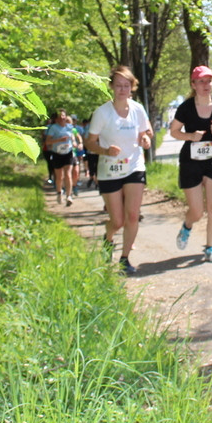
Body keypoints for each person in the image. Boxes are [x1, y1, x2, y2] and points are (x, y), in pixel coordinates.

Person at [86, 67, 153, 274]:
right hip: (110, 170)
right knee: (118, 221)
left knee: (132, 216)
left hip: (134, 166)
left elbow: (147, 131)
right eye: (118, 85)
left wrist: (146, 139)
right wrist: (105, 150)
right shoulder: (102, 113)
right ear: (112, 87)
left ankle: (124, 259)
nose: (122, 89)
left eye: (126, 85)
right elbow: (89, 143)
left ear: (132, 87)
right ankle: (108, 236)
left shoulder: (138, 109)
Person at [169, 65, 212, 263]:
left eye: (208, 81)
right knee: (197, 211)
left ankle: (210, 247)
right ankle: (187, 226)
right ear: (194, 84)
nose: (206, 85)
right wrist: (190, 135)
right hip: (191, 162)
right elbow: (174, 131)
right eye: (201, 81)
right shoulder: (186, 107)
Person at [45, 109, 78, 206]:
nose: (62, 118)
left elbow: (72, 137)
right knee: (59, 177)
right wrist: (59, 140)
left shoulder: (69, 127)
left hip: (68, 153)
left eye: (63, 116)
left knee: (68, 174)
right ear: (56, 119)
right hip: (57, 154)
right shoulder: (53, 128)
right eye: (60, 116)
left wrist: (74, 142)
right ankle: (59, 193)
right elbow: (47, 142)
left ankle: (69, 196)